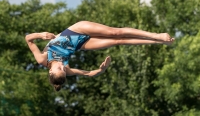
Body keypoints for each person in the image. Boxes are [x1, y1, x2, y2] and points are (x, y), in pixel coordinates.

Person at [25, 21, 174, 91]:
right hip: (80, 44)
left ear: (50, 71)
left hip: (76, 30)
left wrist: (40, 35)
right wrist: (102, 69)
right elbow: (90, 74)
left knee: (115, 33)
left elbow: (28, 39)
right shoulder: (66, 70)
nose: (63, 66)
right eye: (64, 70)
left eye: (59, 68)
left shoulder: (42, 59)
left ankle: (156, 35)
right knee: (117, 42)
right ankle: (157, 42)